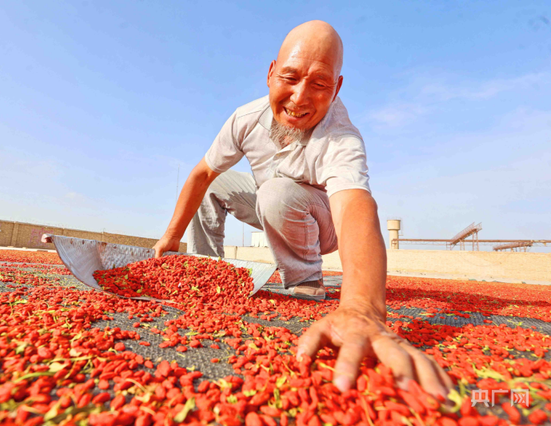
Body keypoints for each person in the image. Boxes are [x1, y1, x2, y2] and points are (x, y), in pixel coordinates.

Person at [153, 20, 453, 400]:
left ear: (337, 87)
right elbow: (201, 173)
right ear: (270, 73)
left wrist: (362, 307)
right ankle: (204, 275)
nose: (299, 98)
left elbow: (353, 206)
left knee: (277, 194)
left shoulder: (340, 136)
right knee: (229, 185)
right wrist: (171, 237)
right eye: (290, 78)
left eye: (319, 84)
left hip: (321, 220)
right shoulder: (246, 119)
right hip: (268, 200)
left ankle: (305, 280)